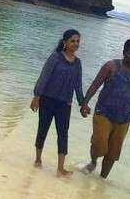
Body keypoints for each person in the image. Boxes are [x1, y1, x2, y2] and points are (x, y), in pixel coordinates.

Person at [81, 38, 130, 179]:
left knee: (113, 153)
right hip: (103, 113)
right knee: (100, 146)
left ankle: (102, 180)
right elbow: (95, 84)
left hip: (123, 119)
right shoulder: (111, 66)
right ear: (124, 52)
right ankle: (93, 162)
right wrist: (85, 103)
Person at [31, 29, 89, 176]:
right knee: (42, 129)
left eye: (77, 41)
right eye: (72, 41)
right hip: (47, 100)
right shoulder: (55, 57)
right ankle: (38, 159)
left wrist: (83, 103)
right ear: (65, 42)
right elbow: (44, 76)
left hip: (65, 104)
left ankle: (60, 168)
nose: (75, 44)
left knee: (63, 134)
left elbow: (78, 86)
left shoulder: (78, 63)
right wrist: (37, 96)